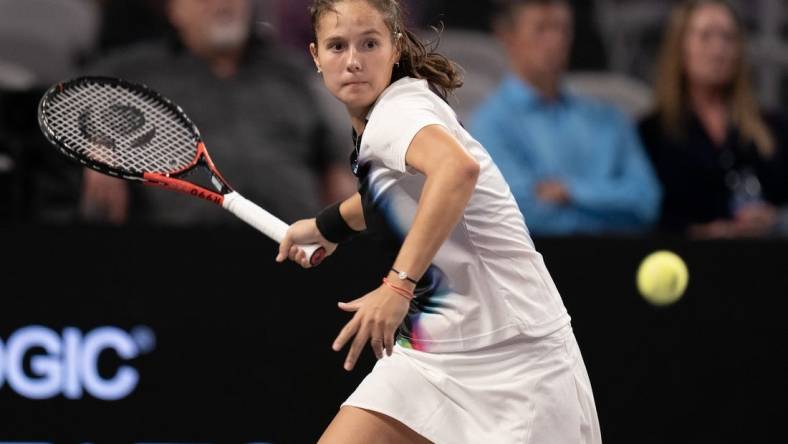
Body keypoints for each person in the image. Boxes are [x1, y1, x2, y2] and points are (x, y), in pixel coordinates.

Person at [276, 0, 602, 442]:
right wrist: (327, 226)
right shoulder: (399, 103)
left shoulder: (396, 113)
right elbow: (398, 190)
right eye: (337, 46)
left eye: (369, 43)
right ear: (315, 56)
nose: (353, 60)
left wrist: (397, 285)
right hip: (433, 355)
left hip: (519, 362)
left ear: (394, 48)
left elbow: (456, 171)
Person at [82, 0, 355, 225]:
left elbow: (334, 158)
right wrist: (98, 146)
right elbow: (73, 100)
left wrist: (340, 178)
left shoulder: (294, 74)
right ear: (175, 11)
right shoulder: (135, 72)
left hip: (293, 246)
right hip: (180, 252)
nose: (223, 4)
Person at [470, 0, 661, 236]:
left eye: (561, 28)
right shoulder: (489, 125)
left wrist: (571, 192)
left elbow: (646, 202)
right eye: (541, 29)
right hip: (541, 263)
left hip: (617, 260)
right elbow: (517, 215)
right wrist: (607, 209)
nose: (554, 40)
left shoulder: (608, 119)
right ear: (508, 38)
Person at [638, 0, 788, 237]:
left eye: (729, 37)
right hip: (688, 260)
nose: (719, 49)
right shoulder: (651, 133)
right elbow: (645, 213)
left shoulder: (773, 126)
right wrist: (700, 232)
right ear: (680, 48)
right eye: (705, 36)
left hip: (768, 258)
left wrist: (776, 219)